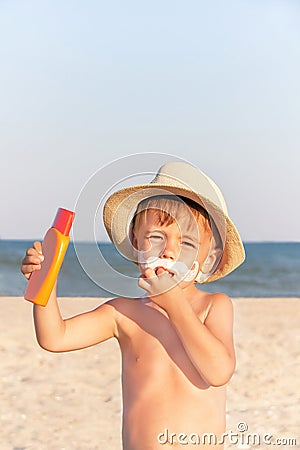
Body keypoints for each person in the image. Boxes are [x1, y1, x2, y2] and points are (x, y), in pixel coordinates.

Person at [21, 161, 245, 449]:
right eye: (156, 238)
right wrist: (45, 282)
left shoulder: (213, 306)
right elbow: (55, 337)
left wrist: (175, 304)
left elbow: (218, 372)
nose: (169, 250)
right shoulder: (123, 314)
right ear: (137, 245)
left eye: (187, 243)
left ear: (210, 259)